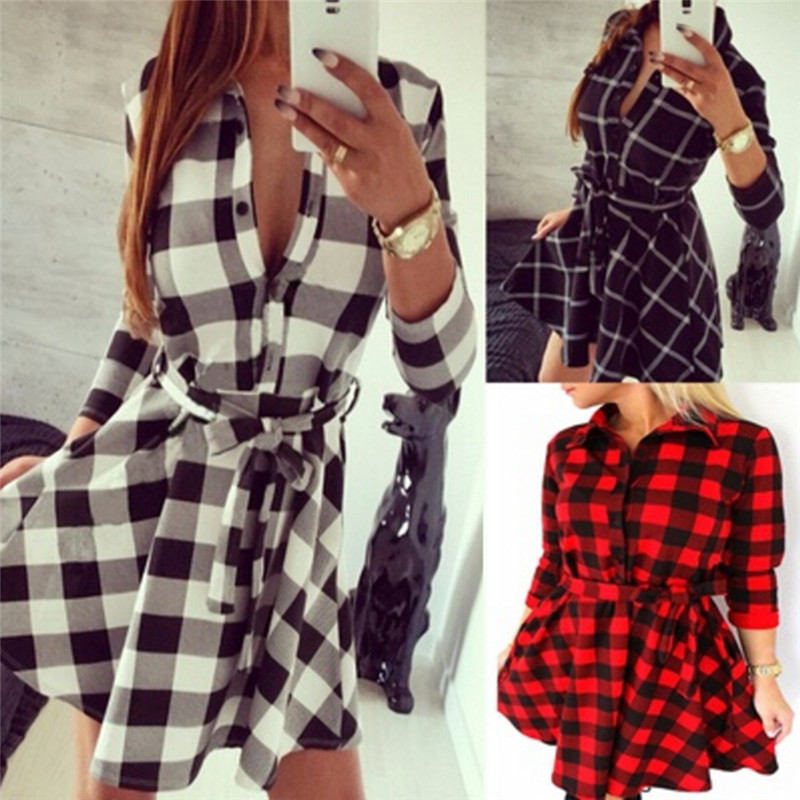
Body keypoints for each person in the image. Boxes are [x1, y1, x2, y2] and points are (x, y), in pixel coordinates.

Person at [0, 2, 476, 799]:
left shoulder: (407, 108)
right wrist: (72, 455)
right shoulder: (161, 97)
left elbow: (440, 373)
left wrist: (406, 208)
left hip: (298, 526)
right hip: (151, 508)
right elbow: (142, 317)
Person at [497, 383, 794, 800]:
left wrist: (764, 678)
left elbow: (753, 574)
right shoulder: (566, 448)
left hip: (667, 653)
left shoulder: (741, 446)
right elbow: (554, 561)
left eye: (574, 353)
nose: (556, 376)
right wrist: (517, 639)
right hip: (576, 645)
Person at [501, 0, 784, 382]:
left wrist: (728, 117)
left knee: (665, 401)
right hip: (596, 248)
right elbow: (602, 151)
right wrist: (578, 211)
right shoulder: (622, 31)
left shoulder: (736, 77)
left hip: (664, 263)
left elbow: (764, 209)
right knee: (555, 386)